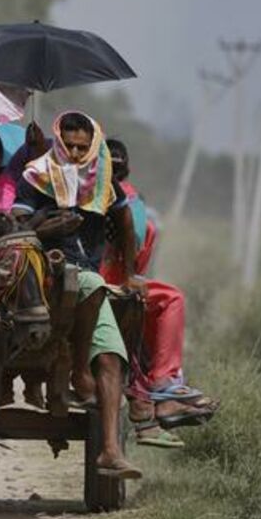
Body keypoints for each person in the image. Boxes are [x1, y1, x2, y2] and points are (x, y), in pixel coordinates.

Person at [12, 111, 141, 479]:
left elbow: (126, 222)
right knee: (87, 284)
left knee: (113, 357)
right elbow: (18, 226)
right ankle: (79, 371)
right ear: (57, 140)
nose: (74, 151)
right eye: (67, 144)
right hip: (40, 273)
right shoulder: (37, 174)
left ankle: (111, 451)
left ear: (93, 145)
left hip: (88, 277)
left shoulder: (104, 181)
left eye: (82, 146)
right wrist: (48, 225)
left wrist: (130, 273)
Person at [100, 139, 217, 448]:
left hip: (119, 279)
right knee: (159, 301)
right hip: (97, 279)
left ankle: (161, 390)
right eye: (108, 158)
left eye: (118, 158)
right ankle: (158, 391)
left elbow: (138, 254)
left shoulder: (130, 202)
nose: (114, 163)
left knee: (160, 300)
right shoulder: (83, 190)